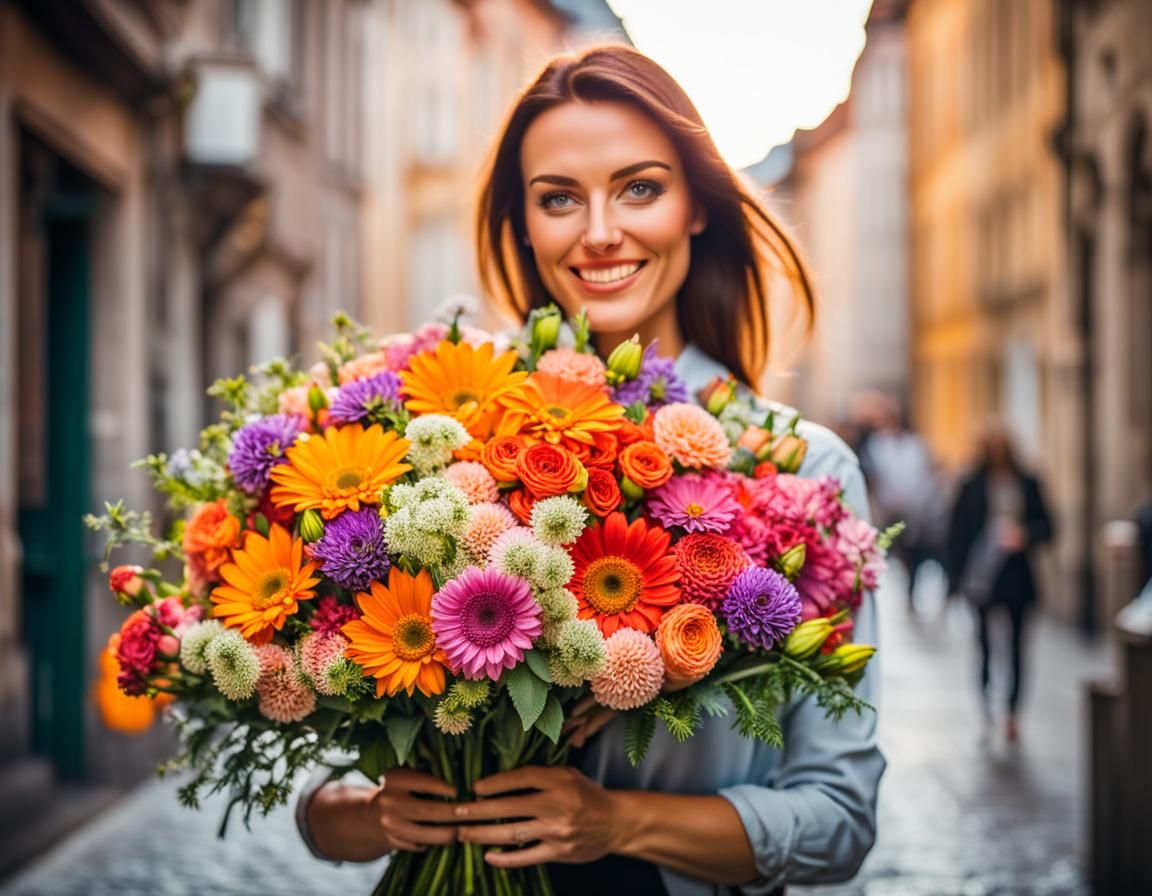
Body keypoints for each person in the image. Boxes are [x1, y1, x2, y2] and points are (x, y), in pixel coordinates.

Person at [297, 45, 884, 895]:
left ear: (694, 206)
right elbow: (324, 784)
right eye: (559, 198)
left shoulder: (807, 472)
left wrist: (619, 824)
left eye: (639, 187)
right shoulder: (444, 436)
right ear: (524, 224)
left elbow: (839, 822)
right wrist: (370, 817)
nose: (600, 230)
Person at [945, 425, 1053, 743]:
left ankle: (1012, 710)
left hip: (1017, 576)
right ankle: (987, 704)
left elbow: (1048, 525)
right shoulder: (971, 484)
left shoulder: (1028, 482)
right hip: (982, 578)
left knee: (1018, 645)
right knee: (984, 644)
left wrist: (1025, 536)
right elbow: (957, 533)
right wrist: (956, 579)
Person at [856, 394, 945, 610]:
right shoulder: (875, 445)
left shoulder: (914, 445)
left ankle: (911, 588)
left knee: (911, 551)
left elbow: (923, 472)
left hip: (914, 508)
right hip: (888, 509)